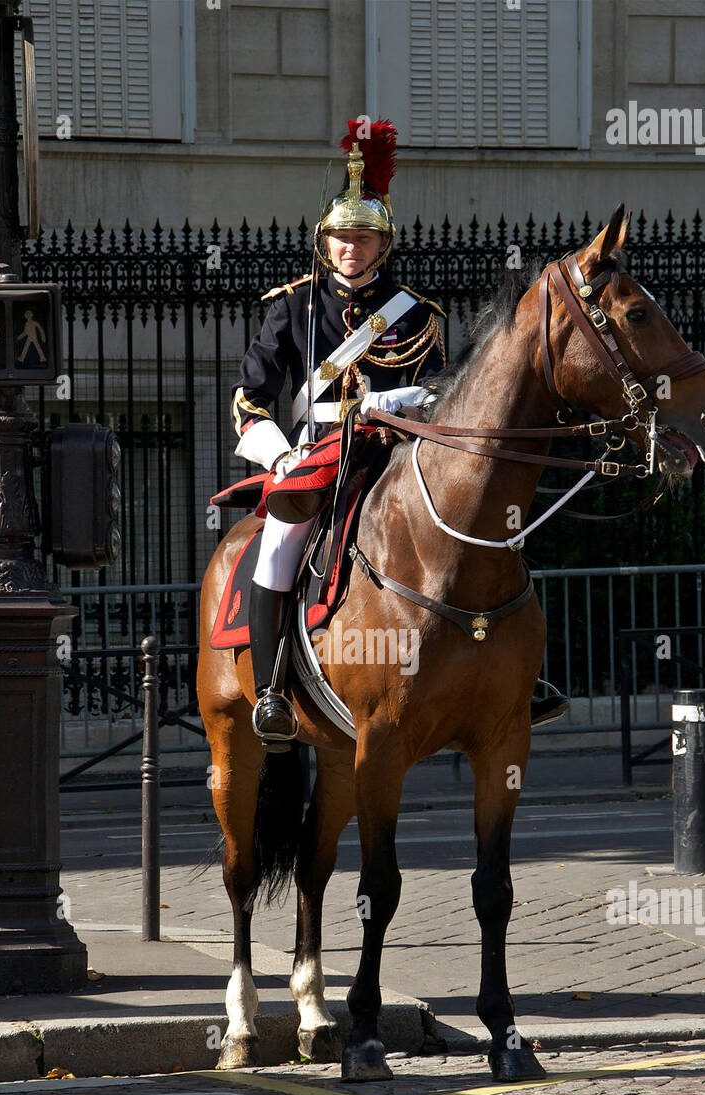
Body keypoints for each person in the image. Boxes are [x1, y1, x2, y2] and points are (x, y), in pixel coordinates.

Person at [232, 118, 568, 748]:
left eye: (361, 238)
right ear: (324, 243)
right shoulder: (293, 306)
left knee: (488, 527)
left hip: (396, 449)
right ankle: (274, 689)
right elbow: (250, 398)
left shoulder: (416, 313)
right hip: (318, 452)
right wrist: (280, 457)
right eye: (339, 238)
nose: (349, 248)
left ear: (381, 245)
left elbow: (444, 392)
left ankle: (520, 677)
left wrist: (384, 401)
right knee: (279, 539)